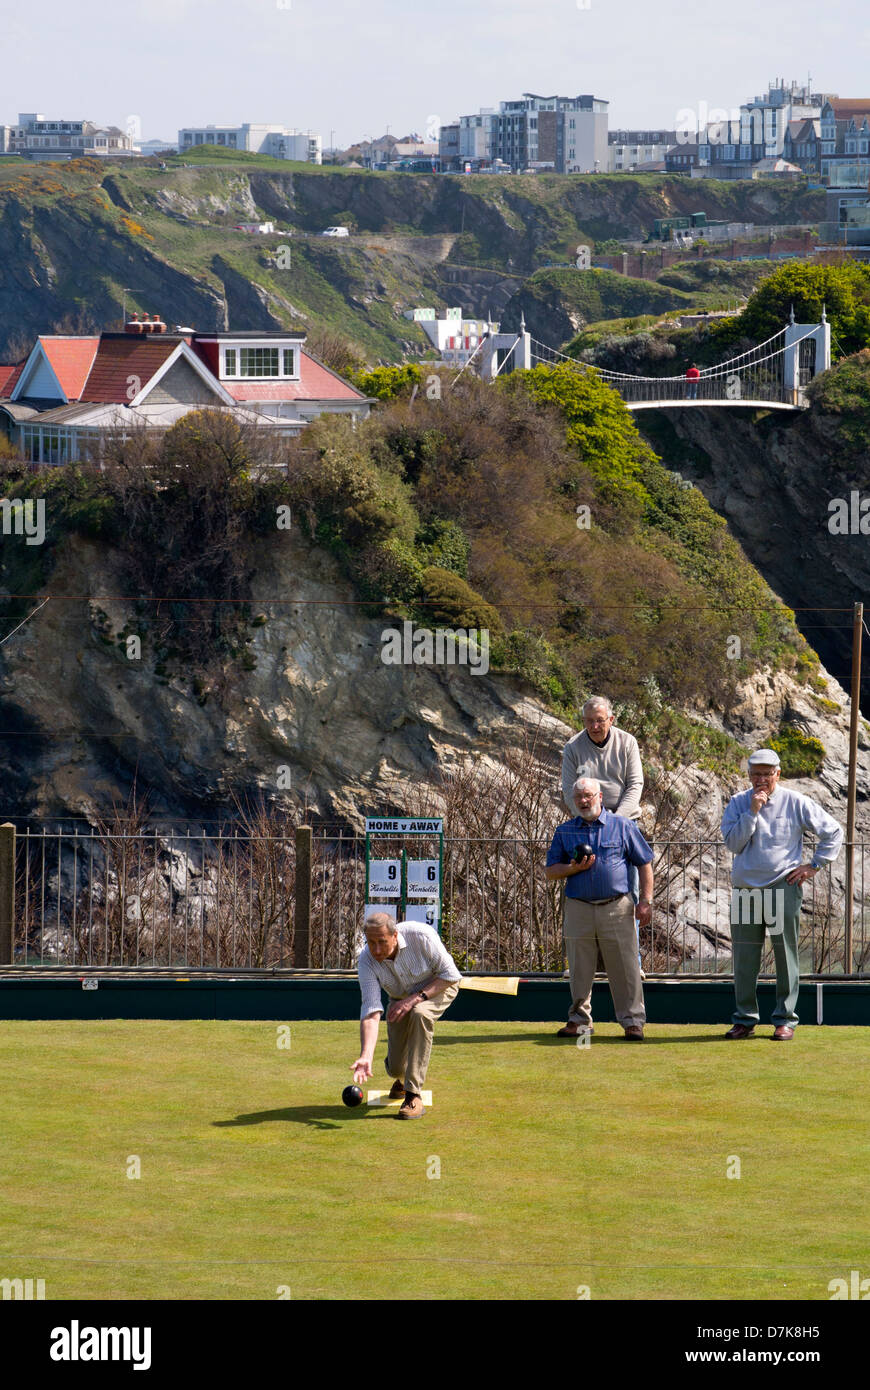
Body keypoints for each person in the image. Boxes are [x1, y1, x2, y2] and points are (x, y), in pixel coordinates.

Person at [720, 749, 843, 1041]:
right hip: (745, 889)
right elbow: (734, 844)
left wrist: (813, 866)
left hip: (781, 886)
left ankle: (785, 1019)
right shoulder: (738, 803)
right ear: (749, 775)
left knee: (785, 956)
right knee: (744, 958)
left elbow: (833, 831)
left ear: (778, 773)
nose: (761, 779)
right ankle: (744, 1020)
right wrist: (753, 811)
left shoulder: (796, 801)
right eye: (756, 774)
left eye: (767, 773)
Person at [545, 777, 654, 1040]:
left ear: (600, 797)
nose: (583, 801)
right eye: (579, 797)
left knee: (625, 967)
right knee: (580, 968)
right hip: (578, 907)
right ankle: (579, 1021)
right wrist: (574, 868)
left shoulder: (623, 826)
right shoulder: (565, 831)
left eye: (588, 796)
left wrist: (646, 901)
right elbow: (550, 871)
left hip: (617, 907)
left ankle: (632, 1022)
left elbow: (645, 863)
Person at [562, 696, 645, 967]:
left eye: (600, 720)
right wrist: (587, 818)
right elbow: (567, 789)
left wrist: (616, 823)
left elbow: (635, 784)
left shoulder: (627, 742)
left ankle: (634, 963)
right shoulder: (573, 747)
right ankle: (583, 966)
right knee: (582, 893)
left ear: (611, 719)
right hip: (584, 824)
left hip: (622, 824)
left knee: (628, 893)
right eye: (589, 721)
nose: (595, 726)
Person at [352, 912, 461, 1118]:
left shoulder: (422, 936)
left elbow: (451, 975)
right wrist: (366, 1055)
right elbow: (371, 1010)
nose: (376, 950)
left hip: (439, 987)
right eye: (371, 942)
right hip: (400, 999)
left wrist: (415, 999)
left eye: (382, 942)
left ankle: (413, 1096)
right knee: (394, 1068)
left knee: (420, 1014)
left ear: (395, 935)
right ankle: (401, 1081)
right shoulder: (366, 960)